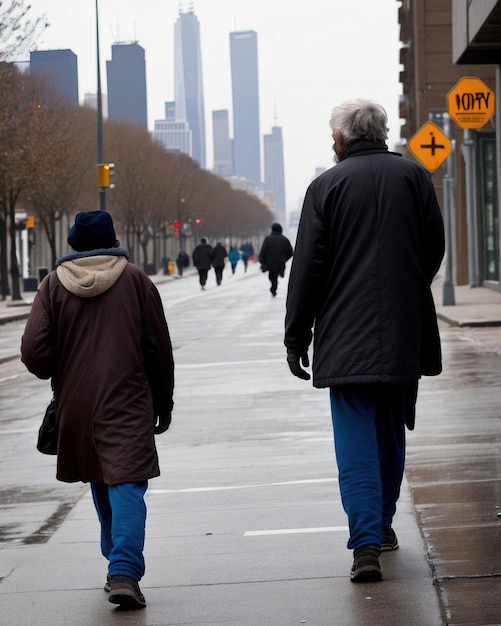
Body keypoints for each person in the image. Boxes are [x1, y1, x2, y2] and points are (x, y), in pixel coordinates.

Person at [284, 99, 445, 583]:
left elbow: (307, 270)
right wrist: (407, 287)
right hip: (401, 332)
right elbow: (433, 246)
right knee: (390, 433)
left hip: (344, 337)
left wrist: (297, 338)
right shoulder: (415, 178)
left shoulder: (325, 187)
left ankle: (365, 544)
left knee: (355, 441)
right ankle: (384, 523)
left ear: (343, 138)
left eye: (333, 134)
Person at [21, 210, 175, 610]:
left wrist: (62, 367)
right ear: (113, 239)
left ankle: (116, 562)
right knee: (127, 481)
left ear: (72, 243)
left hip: (76, 404)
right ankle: (123, 568)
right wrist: (164, 402)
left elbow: (34, 353)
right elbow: (158, 349)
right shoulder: (135, 280)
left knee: (100, 478)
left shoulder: (52, 285)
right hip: (126, 399)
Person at [259, 223, 293, 296]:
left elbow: (263, 251)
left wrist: (262, 261)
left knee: (272, 276)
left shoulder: (268, 239)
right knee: (275, 275)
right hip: (280, 262)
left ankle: (273, 288)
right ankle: (274, 287)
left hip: (270, 263)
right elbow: (290, 252)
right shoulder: (284, 239)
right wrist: (285, 259)